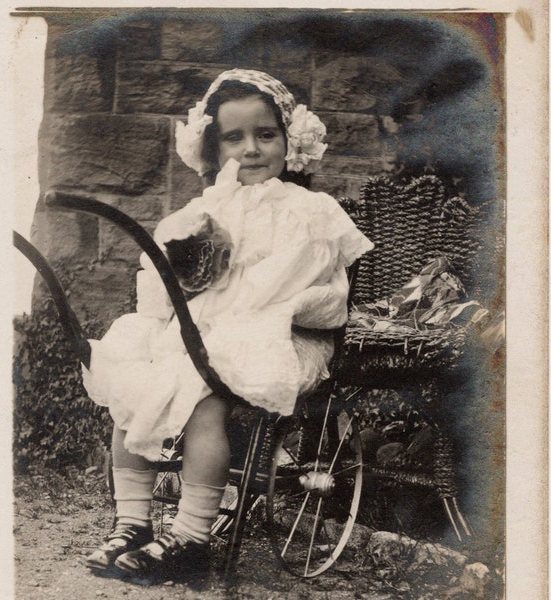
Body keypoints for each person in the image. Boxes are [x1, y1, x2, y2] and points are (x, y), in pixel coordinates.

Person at [82, 68, 374, 581]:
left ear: (291, 140)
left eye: (266, 135)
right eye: (234, 137)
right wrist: (184, 265)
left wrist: (235, 302)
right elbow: (160, 285)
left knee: (205, 399)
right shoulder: (203, 209)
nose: (251, 150)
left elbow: (297, 285)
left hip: (279, 335)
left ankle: (192, 535)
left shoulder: (307, 211)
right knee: (133, 383)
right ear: (212, 148)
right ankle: (133, 523)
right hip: (206, 333)